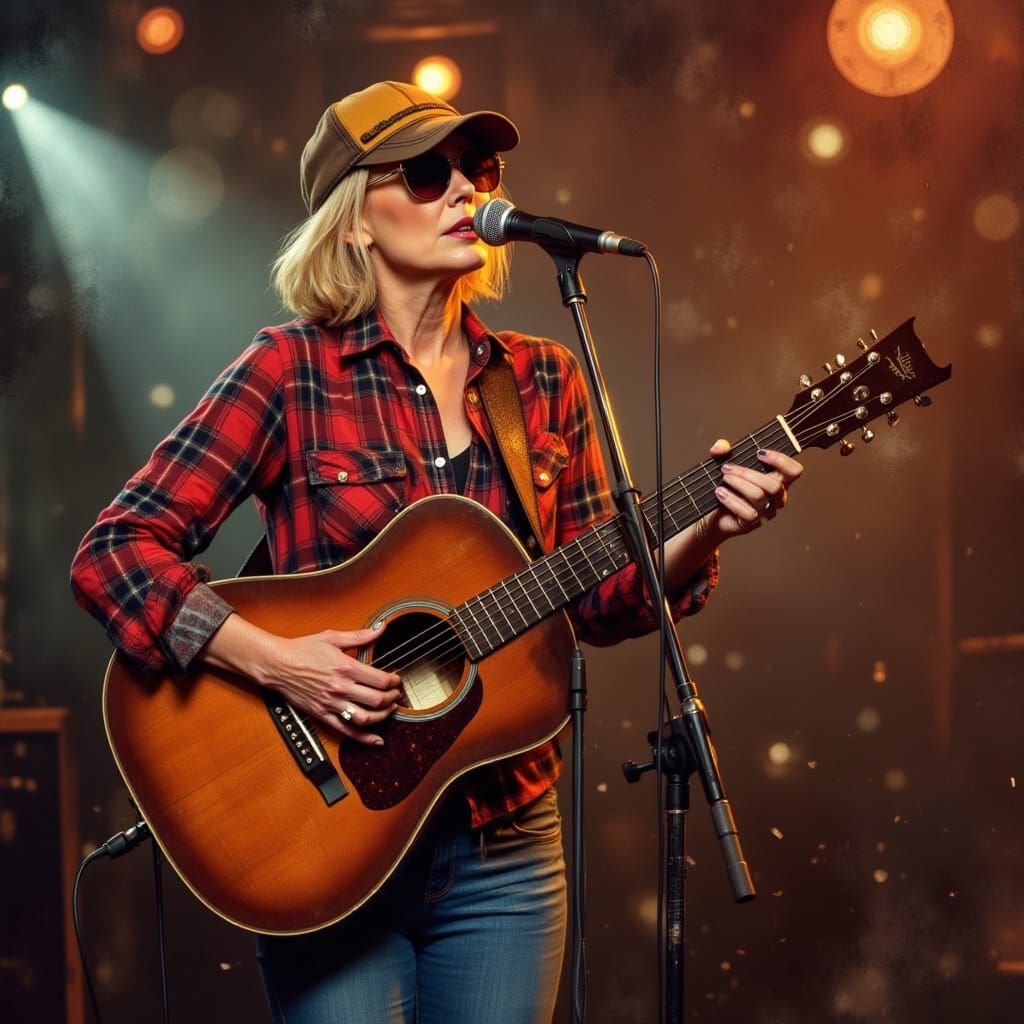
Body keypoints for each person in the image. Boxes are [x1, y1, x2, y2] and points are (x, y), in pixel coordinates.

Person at [71, 81, 803, 1024]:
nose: (464, 190)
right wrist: (280, 663)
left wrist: (705, 528)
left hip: (507, 847)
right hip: (327, 833)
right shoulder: (289, 369)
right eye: (425, 173)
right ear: (355, 220)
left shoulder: (543, 378)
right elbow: (115, 552)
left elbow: (599, 600)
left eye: (479, 169)